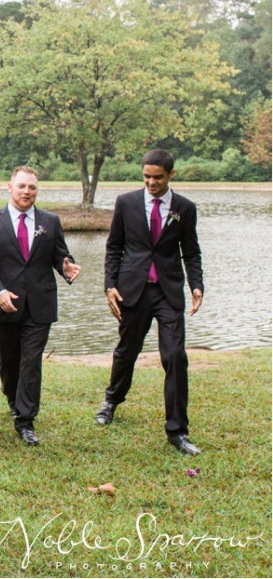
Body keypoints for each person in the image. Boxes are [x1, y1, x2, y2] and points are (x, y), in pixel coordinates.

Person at [94, 149, 205, 456]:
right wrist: (109, 286)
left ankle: (177, 431)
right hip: (133, 289)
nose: (151, 182)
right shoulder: (126, 203)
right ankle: (112, 400)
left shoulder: (185, 208)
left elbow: (191, 252)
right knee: (127, 351)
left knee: (175, 357)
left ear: (171, 174)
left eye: (157, 177)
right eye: (146, 177)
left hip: (168, 293)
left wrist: (197, 285)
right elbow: (114, 248)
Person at [0, 166, 81, 447]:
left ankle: (25, 421)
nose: (27, 192)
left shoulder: (50, 221)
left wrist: (66, 266)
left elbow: (60, 255)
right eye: (22, 186)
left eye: (32, 187)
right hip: (3, 305)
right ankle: (13, 400)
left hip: (39, 305)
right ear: (9, 187)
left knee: (31, 362)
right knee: (8, 363)